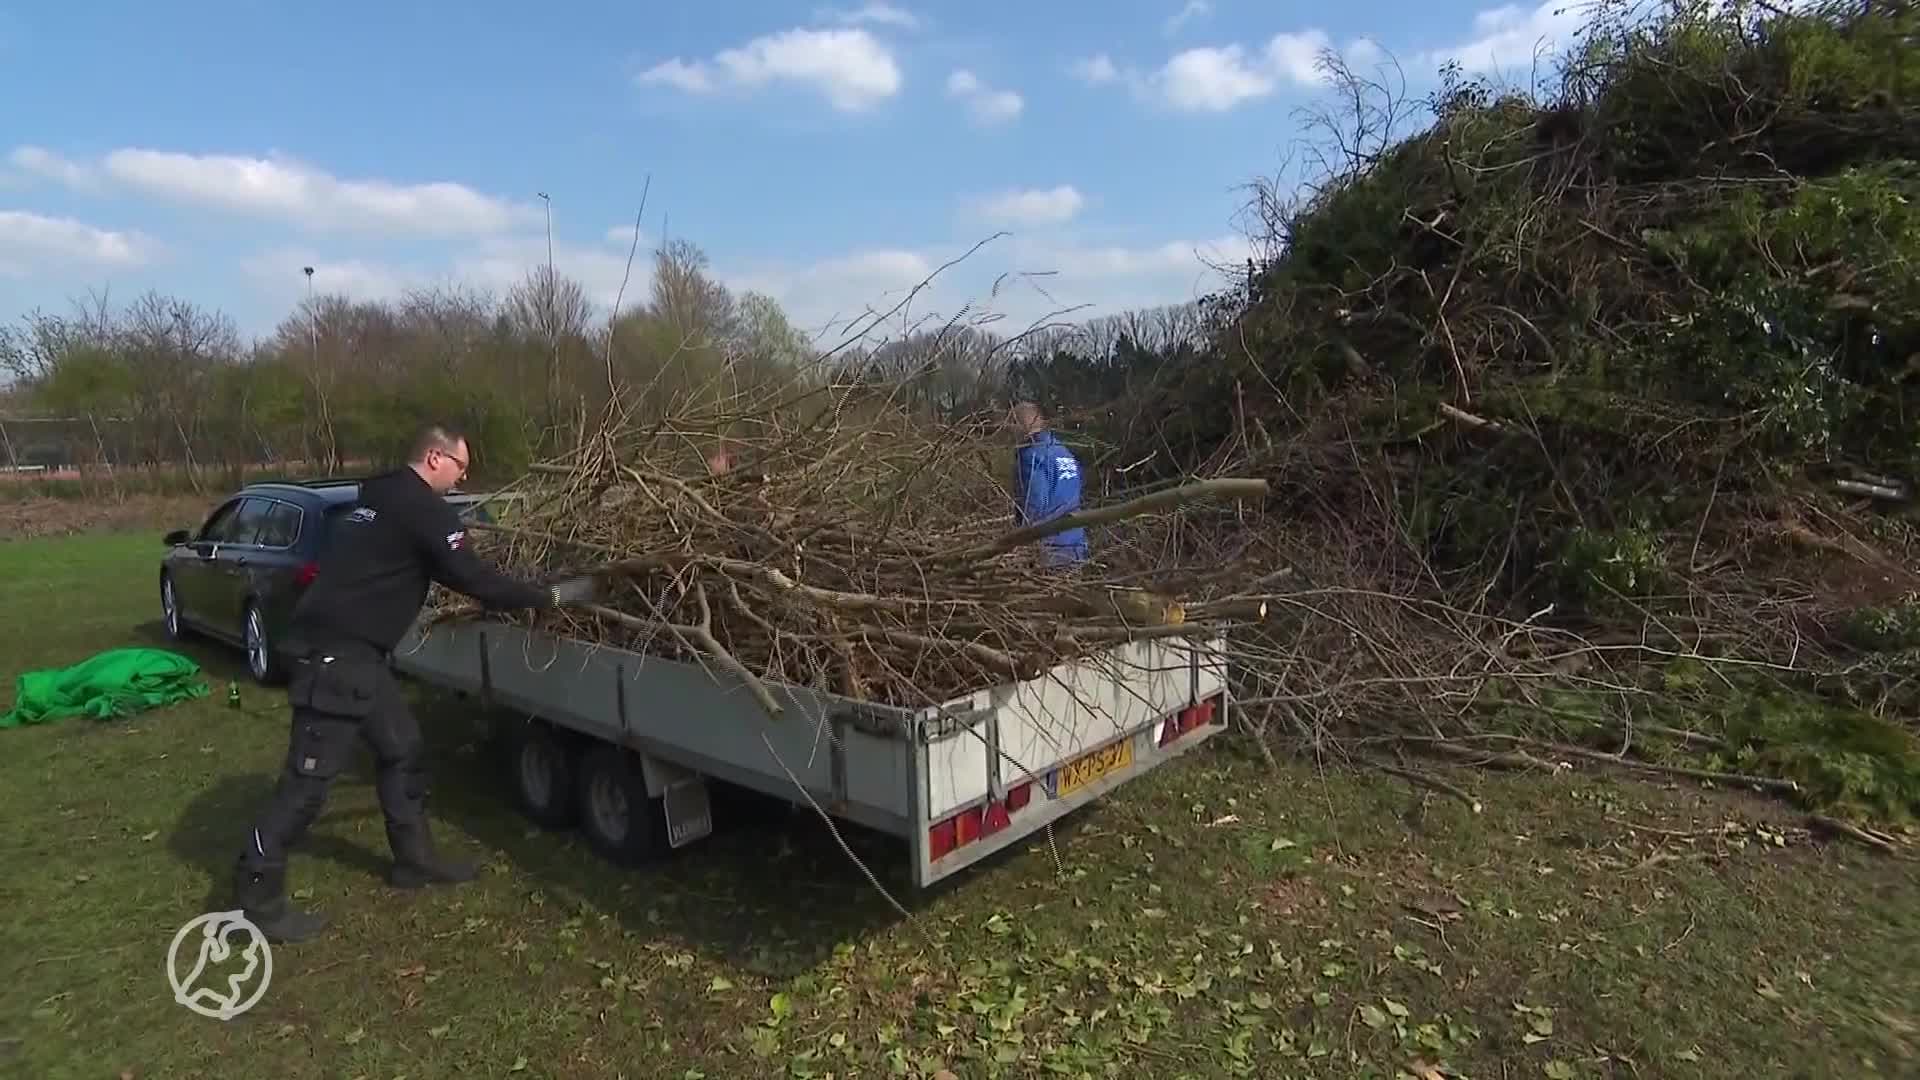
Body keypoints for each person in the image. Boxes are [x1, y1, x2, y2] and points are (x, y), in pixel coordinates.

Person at [231, 424, 600, 943]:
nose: (464, 476)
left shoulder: (377, 494)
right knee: (306, 786)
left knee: (401, 748)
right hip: (337, 658)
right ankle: (256, 897)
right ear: (434, 457)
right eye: (460, 466)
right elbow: (474, 580)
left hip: (360, 655)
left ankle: (414, 862)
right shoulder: (422, 509)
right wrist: (549, 597)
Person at [1007, 401, 1089, 567]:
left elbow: (1035, 503)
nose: (1009, 431)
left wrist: (1022, 544)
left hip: (1049, 550)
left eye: (1011, 424)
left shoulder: (1031, 456)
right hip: (1075, 544)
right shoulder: (1063, 452)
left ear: (1020, 424)